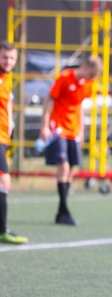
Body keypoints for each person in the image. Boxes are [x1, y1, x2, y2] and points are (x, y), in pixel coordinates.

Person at [39, 55, 103, 226]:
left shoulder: (88, 84)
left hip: (73, 130)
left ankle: (62, 212)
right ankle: (64, 209)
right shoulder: (65, 78)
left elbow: (79, 105)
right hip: (58, 127)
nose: (92, 78)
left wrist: (81, 129)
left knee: (71, 169)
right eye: (91, 74)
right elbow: (48, 99)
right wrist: (44, 126)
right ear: (85, 67)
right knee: (64, 166)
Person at [0, 41, 27, 244]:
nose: (8, 61)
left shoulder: (6, 79)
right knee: (4, 181)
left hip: (3, 138)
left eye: (11, 58)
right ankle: (2, 230)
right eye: (4, 57)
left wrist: (10, 125)